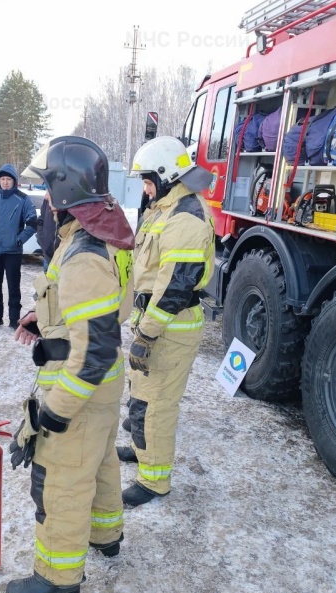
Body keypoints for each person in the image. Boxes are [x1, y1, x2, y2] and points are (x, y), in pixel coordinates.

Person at [6, 136, 135, 593]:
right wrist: (42, 318)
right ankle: (106, 536)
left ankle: (57, 579)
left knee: (60, 478)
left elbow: (94, 351)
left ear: (63, 192)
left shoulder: (82, 253)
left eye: (46, 189)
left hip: (79, 385)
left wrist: (53, 413)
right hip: (102, 388)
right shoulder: (102, 232)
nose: (42, 198)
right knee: (99, 463)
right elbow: (92, 311)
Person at [119, 135, 215, 507]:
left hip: (170, 328)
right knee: (141, 396)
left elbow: (175, 286)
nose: (144, 188)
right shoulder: (165, 209)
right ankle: (143, 452)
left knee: (155, 405)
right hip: (156, 324)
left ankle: (154, 480)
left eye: (146, 180)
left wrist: (146, 333)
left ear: (165, 176)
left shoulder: (185, 217)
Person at [0, 164, 38, 330]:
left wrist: (19, 240)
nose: (5, 182)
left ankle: (13, 319)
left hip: (13, 251)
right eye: (2, 179)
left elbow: (32, 223)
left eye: (8, 179)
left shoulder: (23, 199)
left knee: (13, 286)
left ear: (14, 181)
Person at [35, 190, 59, 273]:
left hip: (62, 253)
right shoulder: (47, 197)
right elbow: (41, 219)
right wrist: (40, 237)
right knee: (48, 283)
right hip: (47, 251)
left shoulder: (69, 198)